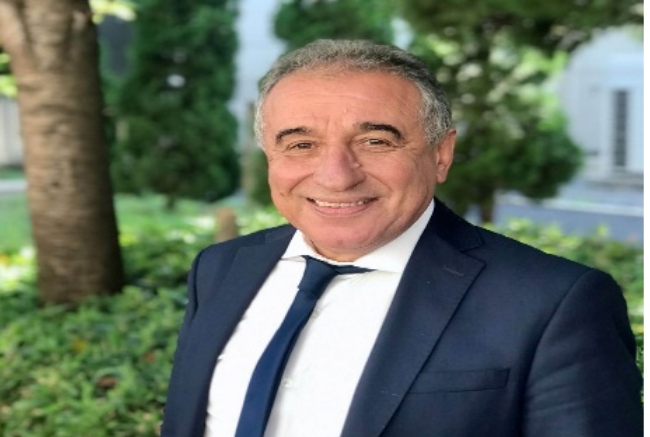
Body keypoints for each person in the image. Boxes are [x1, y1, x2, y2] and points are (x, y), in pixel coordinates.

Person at [161, 39, 642, 437]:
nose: (336, 176)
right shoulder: (221, 268)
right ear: (269, 156)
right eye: (301, 144)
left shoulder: (553, 303)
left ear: (441, 154)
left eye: (375, 142)